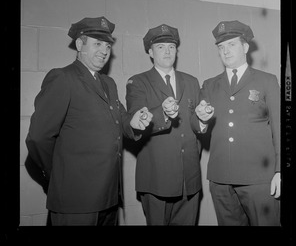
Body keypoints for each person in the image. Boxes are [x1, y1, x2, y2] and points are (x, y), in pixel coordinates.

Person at [26, 16, 153, 226]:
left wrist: (133, 122)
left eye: (107, 45)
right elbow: (38, 137)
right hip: (75, 199)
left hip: (108, 196)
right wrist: (58, 175)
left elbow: (119, 118)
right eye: (97, 44)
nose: (104, 50)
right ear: (79, 44)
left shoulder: (108, 83)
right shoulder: (63, 78)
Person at [195, 20, 280, 226]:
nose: (225, 51)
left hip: (259, 179)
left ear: (245, 47)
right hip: (221, 178)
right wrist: (201, 119)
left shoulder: (266, 81)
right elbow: (196, 125)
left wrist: (280, 170)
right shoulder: (209, 85)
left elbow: (280, 128)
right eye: (221, 47)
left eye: (231, 44)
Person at [125, 24, 211, 225]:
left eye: (171, 47)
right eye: (161, 47)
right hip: (157, 179)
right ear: (150, 52)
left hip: (189, 179)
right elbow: (137, 119)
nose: (167, 51)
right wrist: (161, 112)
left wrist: (203, 120)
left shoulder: (191, 81)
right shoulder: (138, 82)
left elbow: (195, 124)